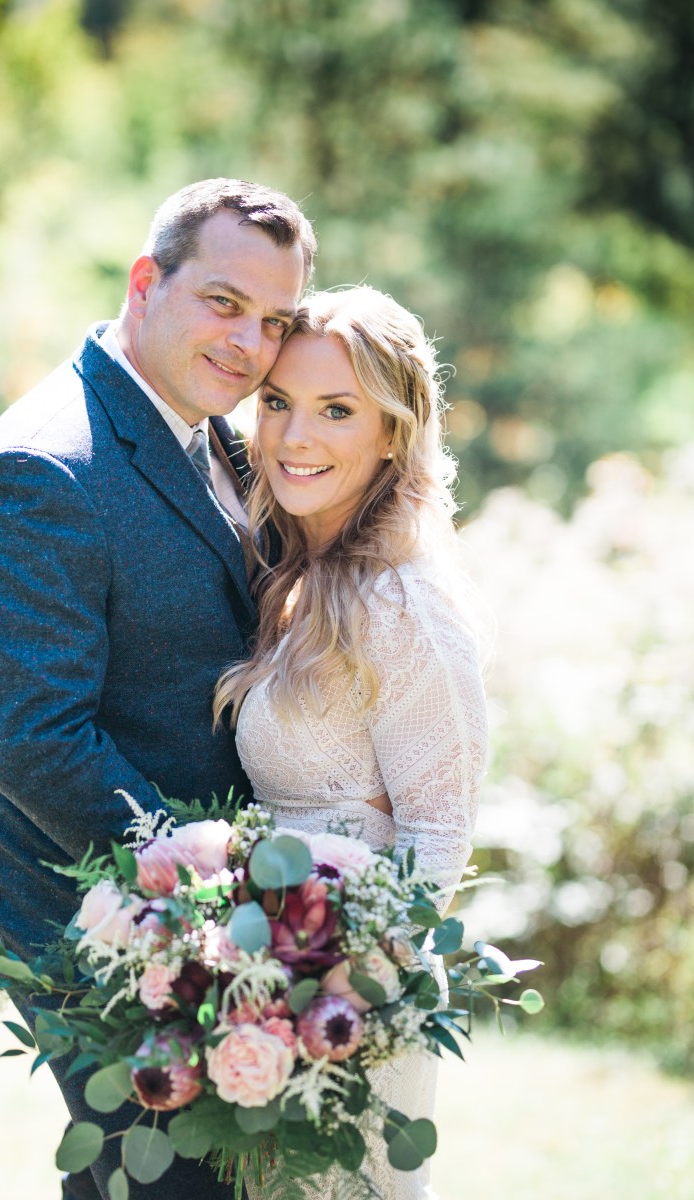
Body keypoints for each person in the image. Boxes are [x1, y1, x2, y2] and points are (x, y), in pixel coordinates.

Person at [0, 178, 315, 1200]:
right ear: (146, 281)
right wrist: (209, 893)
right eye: (224, 303)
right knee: (163, 1178)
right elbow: (39, 743)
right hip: (80, 897)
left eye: (274, 321)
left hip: (207, 891)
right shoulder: (41, 472)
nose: (249, 343)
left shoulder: (211, 431)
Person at [214, 287, 489, 1200]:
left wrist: (340, 996)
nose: (295, 437)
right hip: (271, 989)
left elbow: (439, 834)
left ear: (392, 435)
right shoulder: (303, 578)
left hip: (351, 1012)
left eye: (337, 410)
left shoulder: (401, 603)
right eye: (278, 402)